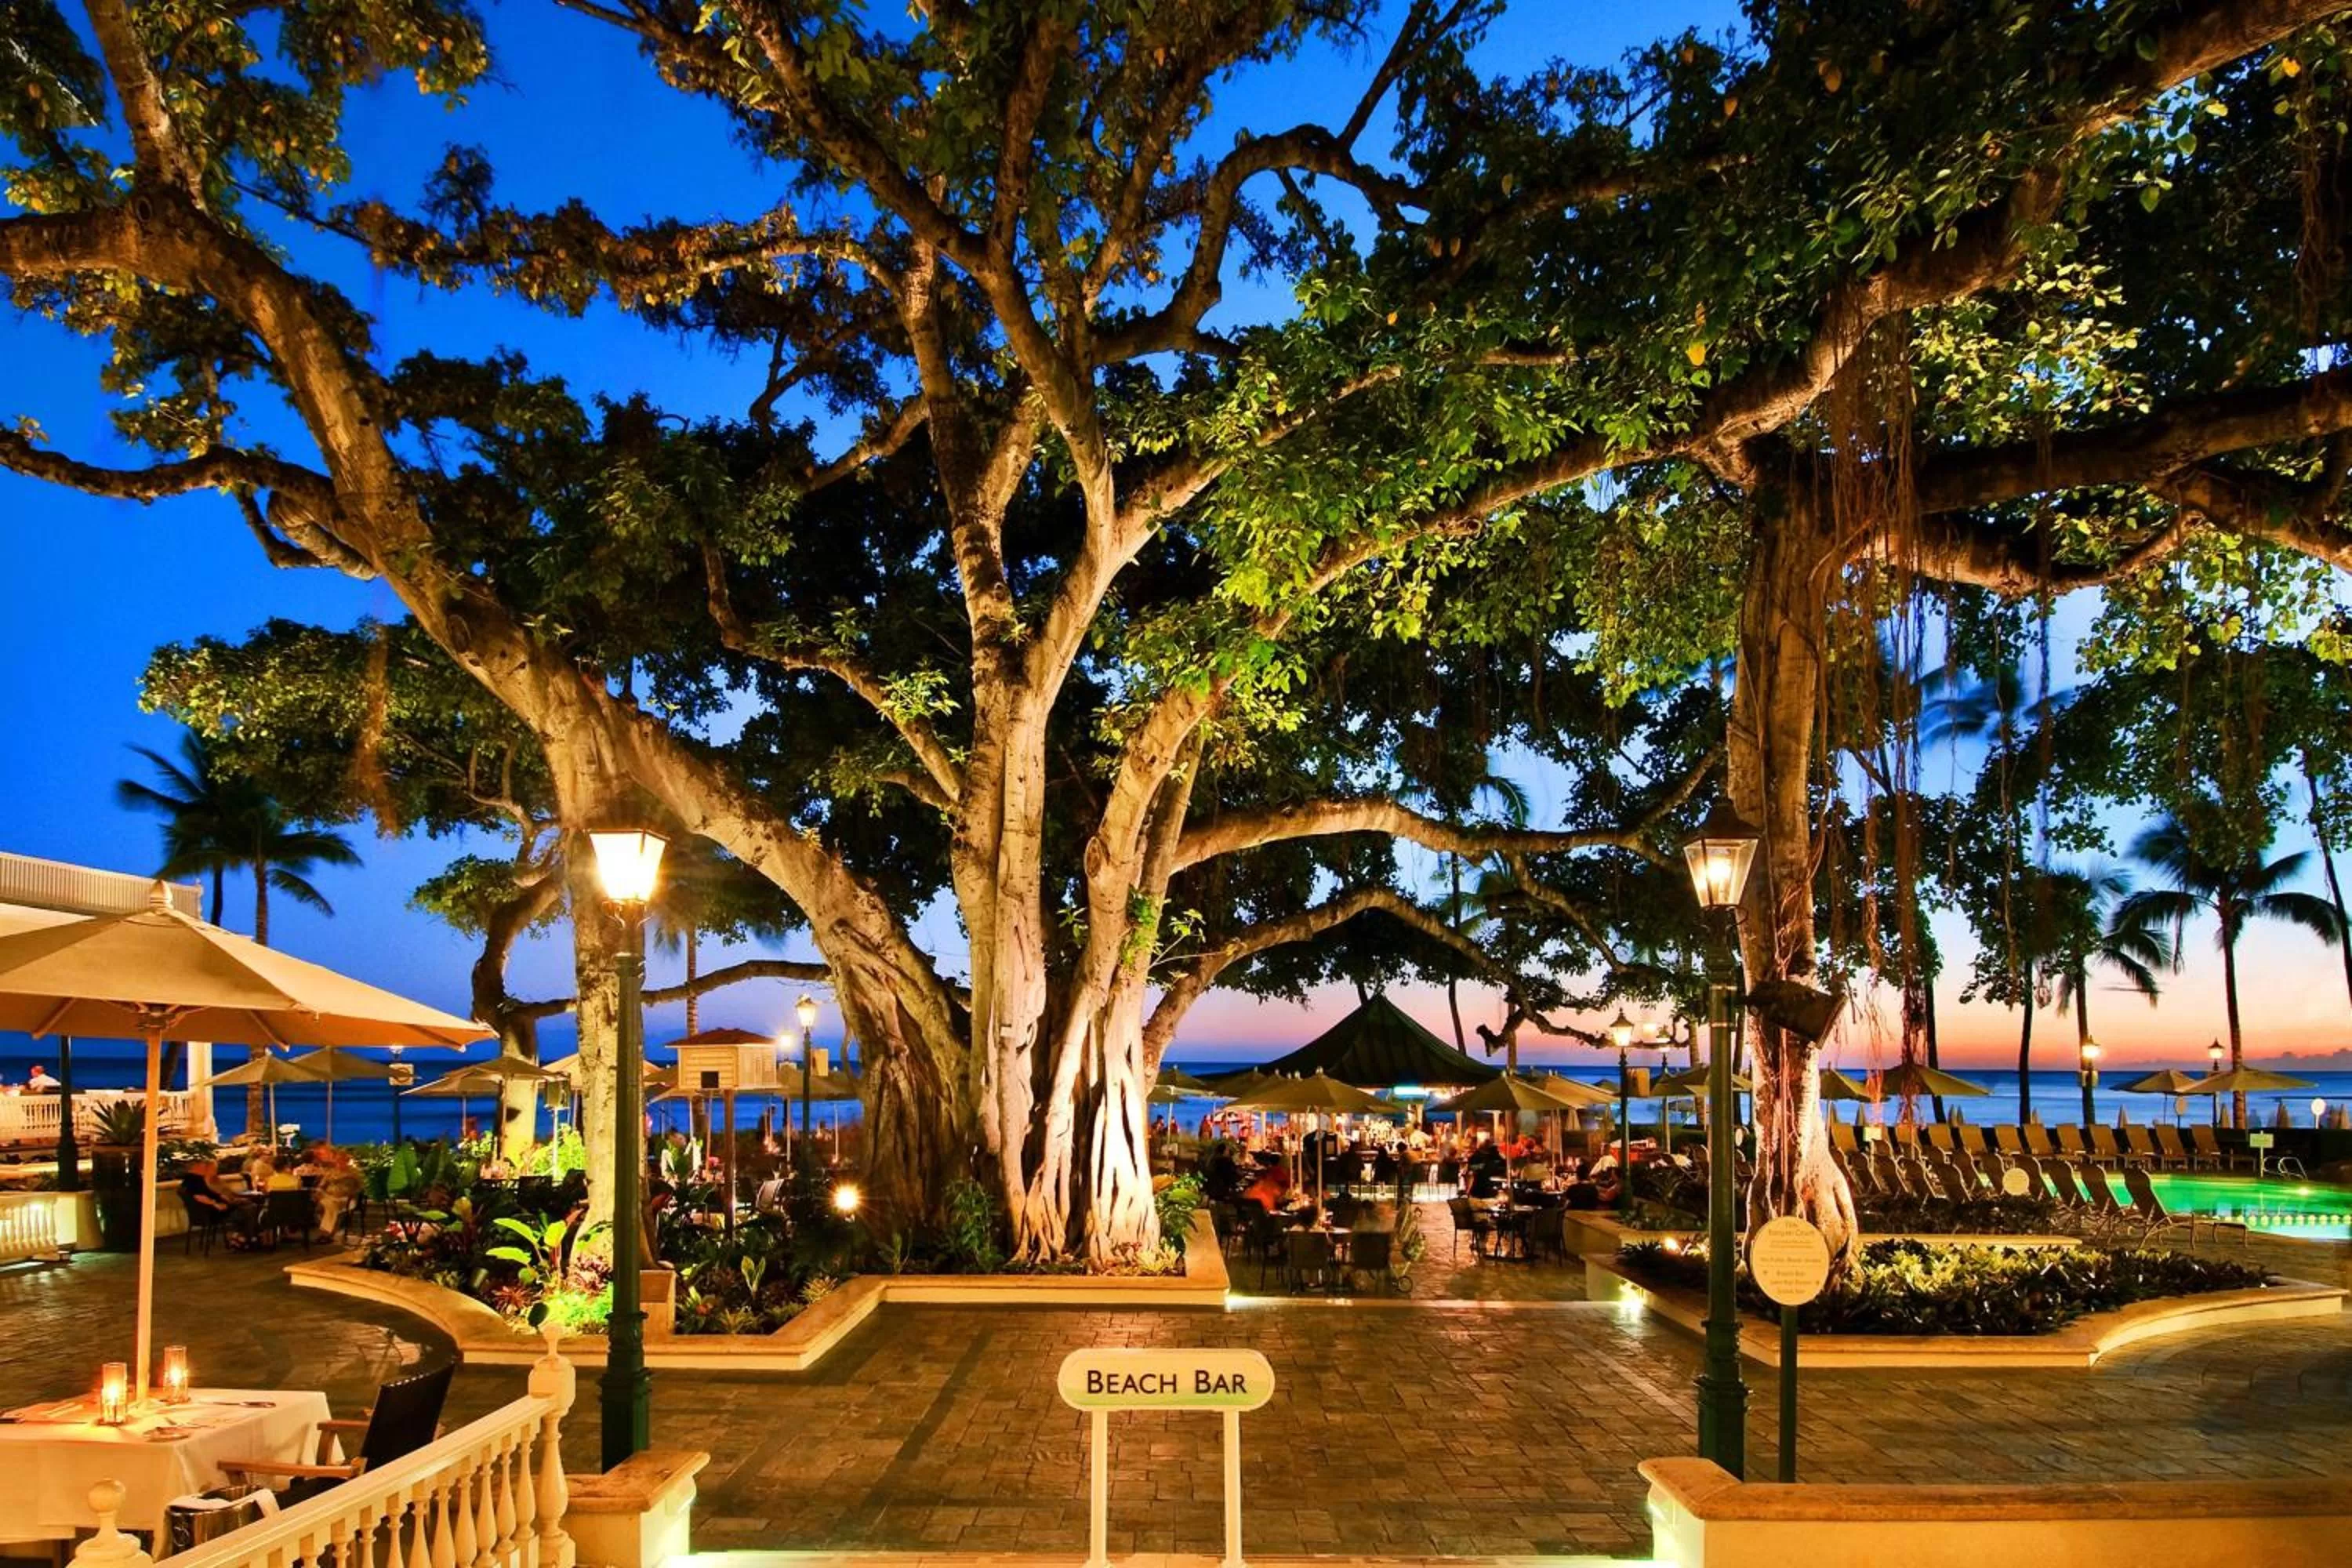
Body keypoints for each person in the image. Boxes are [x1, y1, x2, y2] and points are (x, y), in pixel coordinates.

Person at [179, 1159, 261, 1247]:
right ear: (195, 1168)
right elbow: (199, 1197)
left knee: (248, 1208)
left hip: (215, 1210)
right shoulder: (193, 1181)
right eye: (203, 1167)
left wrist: (221, 1197)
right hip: (212, 1214)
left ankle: (242, 1237)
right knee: (249, 1210)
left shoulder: (195, 1179)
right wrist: (215, 1204)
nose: (204, 1169)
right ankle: (248, 1238)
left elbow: (210, 1194)